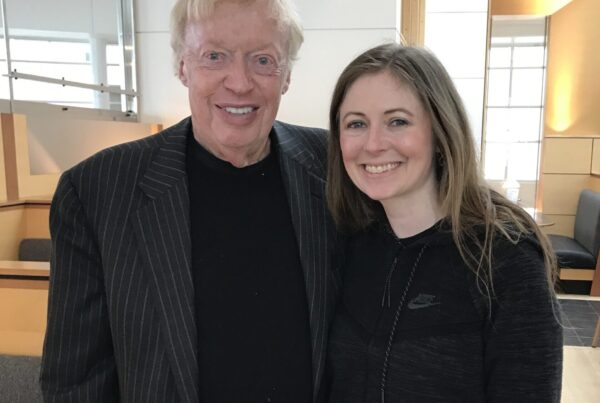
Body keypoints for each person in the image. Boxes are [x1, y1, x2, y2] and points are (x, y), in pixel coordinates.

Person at [40, 0, 339, 402]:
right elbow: (76, 382)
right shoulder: (96, 191)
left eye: (263, 60)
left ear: (286, 76)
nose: (239, 82)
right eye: (214, 56)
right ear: (182, 66)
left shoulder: (335, 167)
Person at [325, 44, 563, 402]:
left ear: (439, 131)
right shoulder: (350, 240)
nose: (373, 144)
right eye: (356, 123)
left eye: (398, 121)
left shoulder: (505, 258)